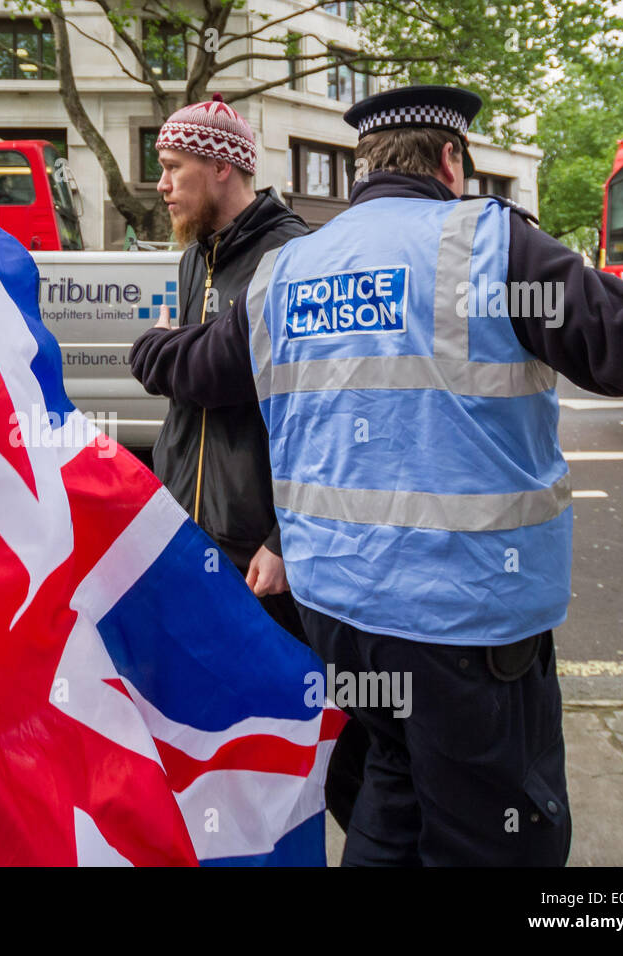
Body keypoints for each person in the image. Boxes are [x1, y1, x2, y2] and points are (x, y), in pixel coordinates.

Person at [127, 84, 623, 866]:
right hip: (461, 629)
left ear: (362, 168)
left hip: (339, 619)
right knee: (494, 836)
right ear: (450, 161)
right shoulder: (488, 246)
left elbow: (204, 366)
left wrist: (148, 347)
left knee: (390, 803)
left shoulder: (290, 269)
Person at [130, 93, 370, 831]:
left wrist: (285, 534)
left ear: (219, 166)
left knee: (306, 738)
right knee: (219, 736)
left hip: (265, 552)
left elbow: (327, 411)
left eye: (172, 167)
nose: (161, 183)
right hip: (196, 535)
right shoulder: (192, 255)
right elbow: (190, 397)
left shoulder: (294, 257)